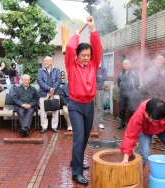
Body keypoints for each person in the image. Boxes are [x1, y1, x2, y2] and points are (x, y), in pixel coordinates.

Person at [65, 16, 102, 185]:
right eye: (83, 55)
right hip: (75, 105)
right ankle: (76, 172)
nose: (86, 57)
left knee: (85, 137)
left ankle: (76, 160)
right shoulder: (71, 65)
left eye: (88, 55)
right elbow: (69, 47)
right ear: (77, 56)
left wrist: (93, 28)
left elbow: (98, 48)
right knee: (79, 138)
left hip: (89, 105)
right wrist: (76, 35)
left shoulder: (94, 64)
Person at [120, 98, 165, 188]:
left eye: (154, 120)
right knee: (144, 153)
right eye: (149, 118)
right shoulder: (140, 113)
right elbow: (130, 135)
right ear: (146, 112)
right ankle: (136, 176)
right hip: (145, 131)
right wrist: (125, 159)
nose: (151, 121)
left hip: (162, 130)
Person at [144, 52, 165, 143]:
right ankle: (151, 136)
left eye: (162, 60)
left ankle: (157, 134)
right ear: (154, 60)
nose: (160, 61)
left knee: (159, 116)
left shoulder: (163, 71)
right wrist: (152, 97)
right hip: (154, 98)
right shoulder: (151, 71)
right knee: (152, 116)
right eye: (158, 59)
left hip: (162, 97)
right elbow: (146, 85)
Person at [37, 56, 61, 133]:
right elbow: (40, 81)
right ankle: (44, 126)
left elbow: (59, 80)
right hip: (44, 93)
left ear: (51, 62)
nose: (45, 62)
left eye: (47, 61)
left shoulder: (56, 69)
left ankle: (54, 127)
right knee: (43, 111)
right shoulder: (40, 70)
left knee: (55, 110)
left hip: (55, 92)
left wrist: (53, 89)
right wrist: (49, 89)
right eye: (44, 61)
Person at [117, 59, 140, 129]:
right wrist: (122, 90)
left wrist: (134, 91)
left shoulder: (134, 73)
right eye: (124, 64)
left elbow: (137, 84)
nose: (125, 65)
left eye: (127, 64)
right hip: (123, 94)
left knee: (132, 109)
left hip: (132, 94)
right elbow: (119, 83)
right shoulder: (120, 74)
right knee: (122, 109)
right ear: (122, 65)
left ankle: (133, 124)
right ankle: (122, 123)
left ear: (129, 65)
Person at [94, 63, 107, 129]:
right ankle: (90, 123)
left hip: (100, 89)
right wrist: (99, 77)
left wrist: (96, 78)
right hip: (91, 90)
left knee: (100, 106)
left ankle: (100, 122)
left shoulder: (103, 69)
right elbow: (91, 78)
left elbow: (104, 78)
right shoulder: (92, 67)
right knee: (90, 107)